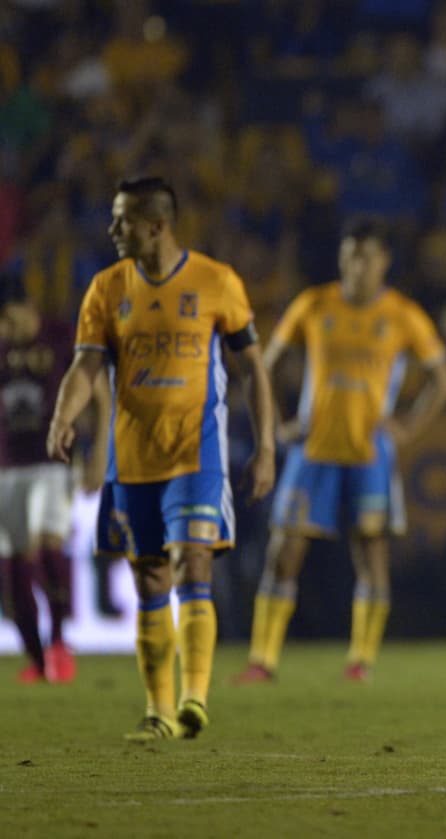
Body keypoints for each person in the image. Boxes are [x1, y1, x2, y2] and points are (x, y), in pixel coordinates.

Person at [46, 176, 276, 741]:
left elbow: (253, 370)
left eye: (123, 220)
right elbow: (86, 365)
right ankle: (158, 711)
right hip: (131, 458)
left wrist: (267, 445)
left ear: (156, 226)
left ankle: (195, 696)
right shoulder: (105, 288)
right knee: (149, 580)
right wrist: (63, 414)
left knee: (190, 562)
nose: (113, 230)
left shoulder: (216, 282)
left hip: (195, 453)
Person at [233, 216, 446, 684]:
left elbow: (444, 380)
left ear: (384, 262)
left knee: (371, 556)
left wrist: (409, 428)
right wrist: (277, 424)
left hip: (371, 452)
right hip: (313, 449)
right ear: (341, 258)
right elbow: (263, 364)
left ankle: (361, 662)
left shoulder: (402, 314)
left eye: (367, 257)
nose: (357, 266)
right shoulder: (314, 305)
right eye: (350, 255)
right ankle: (262, 661)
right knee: (283, 553)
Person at [0, 273, 110, 683]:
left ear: (28, 307)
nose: (7, 331)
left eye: (10, 321)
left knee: (48, 550)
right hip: (7, 466)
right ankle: (35, 658)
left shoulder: (61, 336)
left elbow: (100, 392)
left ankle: (61, 645)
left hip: (54, 460)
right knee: (12, 570)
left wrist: (99, 452)